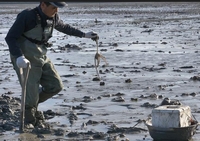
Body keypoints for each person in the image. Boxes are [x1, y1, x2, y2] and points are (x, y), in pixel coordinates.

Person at [5, 2, 99, 128]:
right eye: (53, 7)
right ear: (43, 4)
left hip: (41, 55)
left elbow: (65, 27)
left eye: (58, 8)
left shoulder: (53, 17)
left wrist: (84, 35)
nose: (56, 11)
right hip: (25, 57)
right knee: (30, 94)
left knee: (55, 85)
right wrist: (19, 56)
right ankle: (29, 122)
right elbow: (10, 37)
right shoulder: (27, 16)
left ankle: (30, 102)